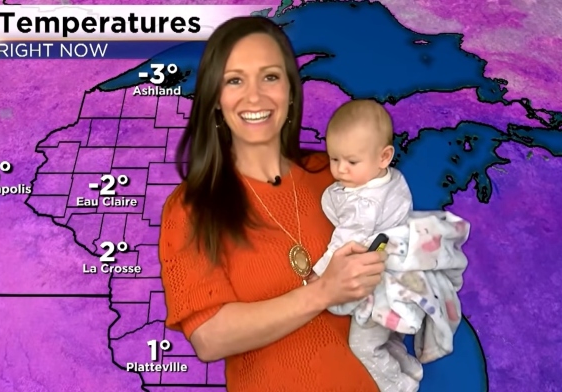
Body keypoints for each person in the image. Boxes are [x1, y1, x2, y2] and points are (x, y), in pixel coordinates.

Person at [157, 15, 488, 392]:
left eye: (270, 77)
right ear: (215, 98)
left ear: (291, 90)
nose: (254, 97)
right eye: (235, 80)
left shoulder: (338, 174)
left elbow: (400, 238)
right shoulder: (191, 207)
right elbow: (209, 338)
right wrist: (323, 292)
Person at [312, 100, 470, 392]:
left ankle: (398, 386)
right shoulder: (389, 178)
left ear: (384, 156)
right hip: (405, 270)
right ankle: (408, 367)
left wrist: (319, 274)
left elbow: (347, 238)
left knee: (364, 346)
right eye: (334, 159)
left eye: (351, 162)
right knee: (388, 337)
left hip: (384, 285)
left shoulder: (364, 203)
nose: (340, 170)